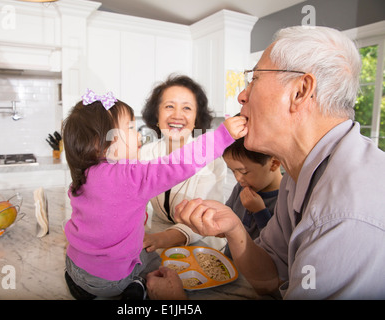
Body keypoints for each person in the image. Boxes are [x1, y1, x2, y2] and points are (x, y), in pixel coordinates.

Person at [146, 26, 385, 300]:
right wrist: (235, 228)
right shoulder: (298, 175)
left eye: (255, 79)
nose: (242, 96)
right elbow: (272, 278)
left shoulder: (344, 212)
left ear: (300, 91)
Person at [62, 88, 247, 300]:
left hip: (75, 263)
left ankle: (80, 286)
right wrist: (223, 136)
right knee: (158, 270)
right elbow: (177, 165)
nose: (138, 134)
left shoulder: (85, 174)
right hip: (109, 279)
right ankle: (136, 288)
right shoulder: (128, 175)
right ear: (100, 143)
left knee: (147, 255)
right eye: (130, 128)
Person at [140, 74, 228, 253]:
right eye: (169, 106)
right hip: (155, 239)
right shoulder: (144, 154)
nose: (177, 115)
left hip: (201, 246)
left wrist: (160, 239)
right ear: (157, 114)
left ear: (196, 118)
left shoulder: (211, 162)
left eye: (187, 108)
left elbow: (203, 218)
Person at [223, 136, 282, 244]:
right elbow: (227, 216)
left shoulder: (285, 199)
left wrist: (259, 211)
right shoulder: (241, 186)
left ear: (274, 164)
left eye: (244, 172)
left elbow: (277, 246)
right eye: (232, 171)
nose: (238, 178)